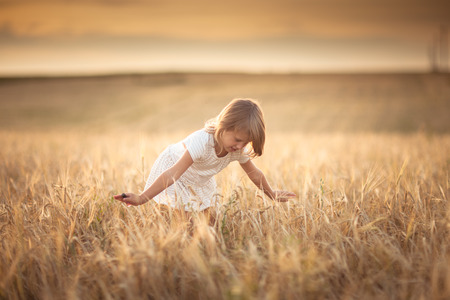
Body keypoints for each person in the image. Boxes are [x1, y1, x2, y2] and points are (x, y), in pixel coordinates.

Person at [114, 98, 296, 213]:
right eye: (238, 139)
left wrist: (271, 194)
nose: (240, 146)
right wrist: (141, 198)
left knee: (210, 222)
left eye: (246, 143)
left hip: (199, 179)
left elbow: (254, 173)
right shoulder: (202, 142)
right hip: (176, 173)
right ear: (224, 126)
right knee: (186, 221)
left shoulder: (237, 149)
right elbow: (173, 174)